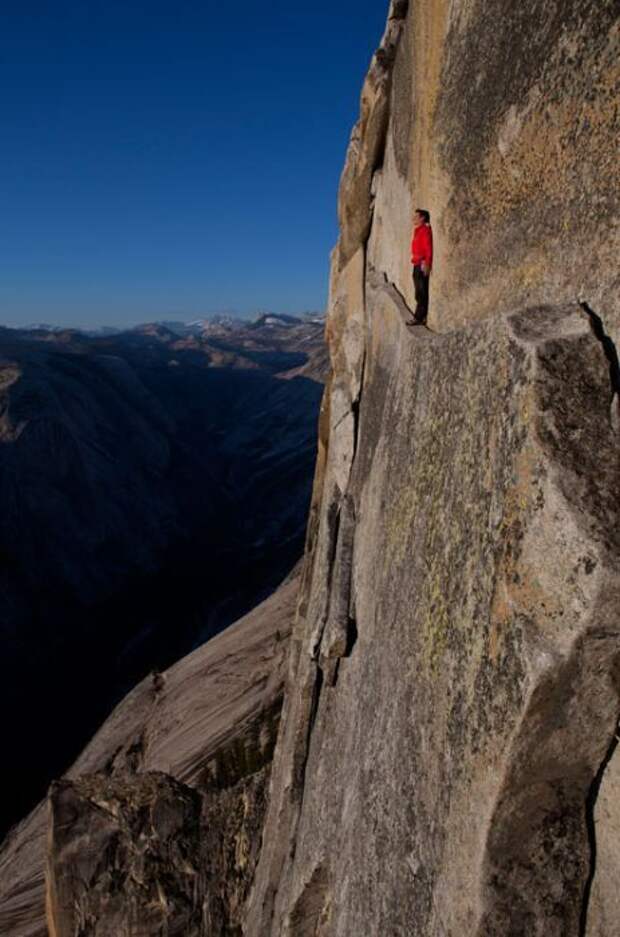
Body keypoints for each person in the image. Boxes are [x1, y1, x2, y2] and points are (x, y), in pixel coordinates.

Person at [410, 209, 433, 325]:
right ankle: (420, 316)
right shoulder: (417, 231)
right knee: (418, 292)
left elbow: (428, 248)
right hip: (416, 264)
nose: (413, 219)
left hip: (422, 264)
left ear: (422, 218)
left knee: (421, 292)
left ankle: (419, 317)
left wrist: (427, 263)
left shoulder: (425, 230)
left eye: (416, 217)